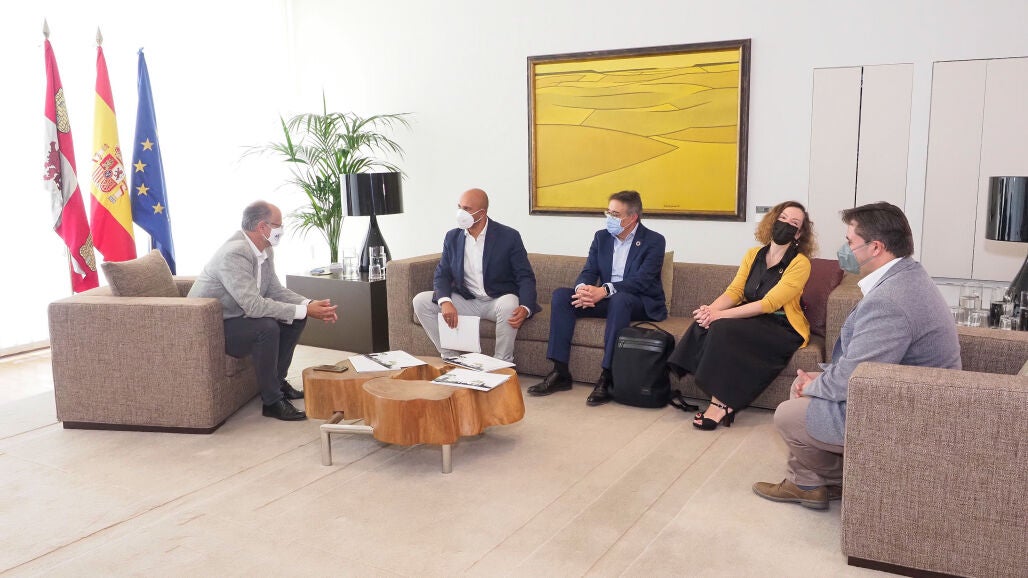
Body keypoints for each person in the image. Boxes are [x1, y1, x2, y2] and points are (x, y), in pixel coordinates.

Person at [753, 202, 960, 510]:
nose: (844, 250)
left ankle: (842, 478)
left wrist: (813, 385)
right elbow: (864, 365)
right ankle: (806, 483)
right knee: (805, 389)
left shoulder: (891, 300)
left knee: (788, 413)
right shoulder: (907, 276)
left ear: (875, 247)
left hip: (905, 411)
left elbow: (851, 379)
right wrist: (819, 381)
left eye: (850, 242)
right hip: (900, 391)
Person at [667, 201, 815, 430]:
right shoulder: (753, 254)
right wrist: (710, 311)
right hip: (753, 317)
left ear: (799, 233)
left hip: (781, 324)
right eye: (782, 218)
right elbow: (735, 291)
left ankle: (721, 404)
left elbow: (769, 303)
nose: (786, 225)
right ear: (773, 220)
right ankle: (672, 377)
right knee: (704, 323)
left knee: (723, 327)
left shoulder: (800, 263)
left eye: (794, 223)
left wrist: (719, 316)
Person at [188, 201, 339, 421]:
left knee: (295, 319)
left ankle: (277, 383)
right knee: (266, 327)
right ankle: (272, 402)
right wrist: (305, 310)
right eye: (278, 225)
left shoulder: (265, 249)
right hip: (212, 328)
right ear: (262, 227)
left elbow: (274, 290)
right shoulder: (235, 253)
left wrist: (309, 304)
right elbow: (254, 306)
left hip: (237, 317)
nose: (282, 230)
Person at [528, 190, 667, 406]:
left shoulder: (654, 241)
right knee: (562, 296)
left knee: (620, 300)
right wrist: (583, 289)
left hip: (639, 301)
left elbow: (643, 280)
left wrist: (605, 290)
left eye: (615, 214)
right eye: (608, 212)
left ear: (632, 217)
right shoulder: (601, 237)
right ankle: (560, 371)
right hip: (607, 298)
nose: (609, 218)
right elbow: (590, 270)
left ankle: (607, 376)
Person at [412, 188, 540, 363]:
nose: (461, 213)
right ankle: (452, 358)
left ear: (482, 212)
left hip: (496, 301)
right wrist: (445, 301)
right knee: (420, 301)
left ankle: (502, 363)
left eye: (467, 209)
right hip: (468, 300)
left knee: (510, 303)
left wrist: (526, 306)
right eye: (459, 207)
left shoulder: (509, 236)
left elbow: (525, 276)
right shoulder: (452, 237)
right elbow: (442, 274)